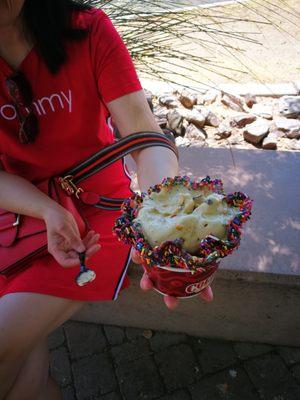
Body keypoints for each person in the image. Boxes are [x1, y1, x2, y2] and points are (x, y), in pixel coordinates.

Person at [0, 1, 213, 398]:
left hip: (96, 215)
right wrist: (44, 209)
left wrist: (163, 226)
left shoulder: (87, 29)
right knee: (20, 370)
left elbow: (144, 136)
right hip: (17, 213)